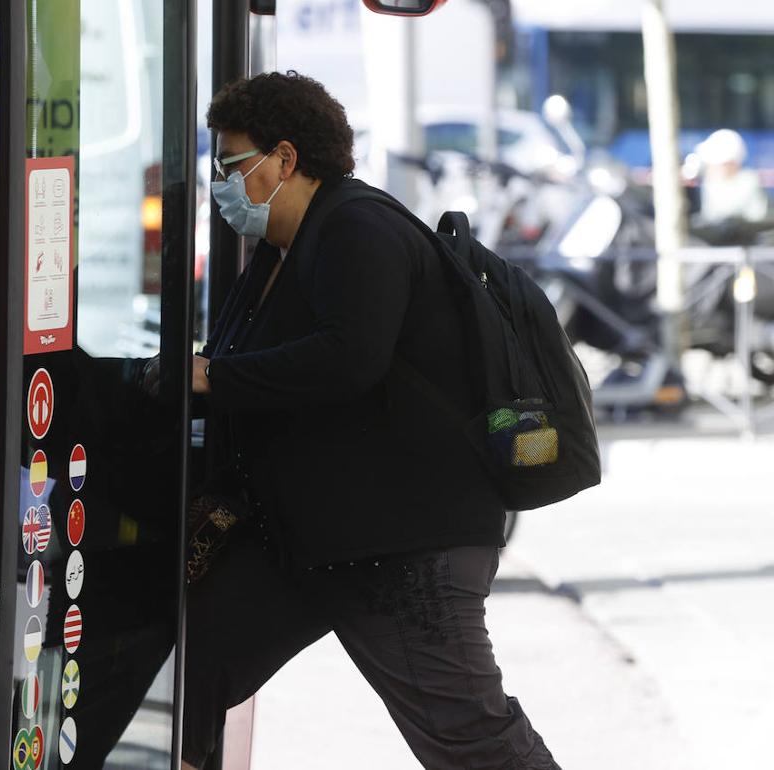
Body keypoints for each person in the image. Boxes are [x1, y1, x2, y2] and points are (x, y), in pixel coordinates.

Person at [182, 71, 559, 770]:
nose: (221, 182)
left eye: (232, 164)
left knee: (473, 740)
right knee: (183, 676)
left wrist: (214, 374)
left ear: (285, 159)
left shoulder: (359, 226)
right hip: (313, 537)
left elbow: (348, 358)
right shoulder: (282, 249)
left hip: (403, 548)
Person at [694, 128, 769, 226]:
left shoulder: (748, 182)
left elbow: (755, 219)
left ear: (731, 164)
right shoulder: (708, 184)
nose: (710, 168)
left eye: (717, 164)